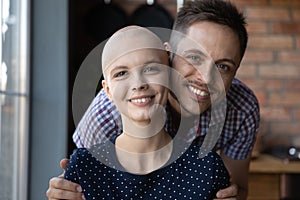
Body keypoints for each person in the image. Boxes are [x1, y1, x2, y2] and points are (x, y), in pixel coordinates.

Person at [46, 0, 260, 199]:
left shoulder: (242, 108)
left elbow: (237, 187)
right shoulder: (108, 112)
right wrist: (63, 191)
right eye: (194, 57)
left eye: (223, 67)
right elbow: (88, 179)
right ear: (168, 57)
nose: (205, 77)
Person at [63, 25, 230, 200]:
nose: (138, 83)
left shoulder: (207, 168)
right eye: (121, 73)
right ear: (108, 91)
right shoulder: (84, 167)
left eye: (151, 69)